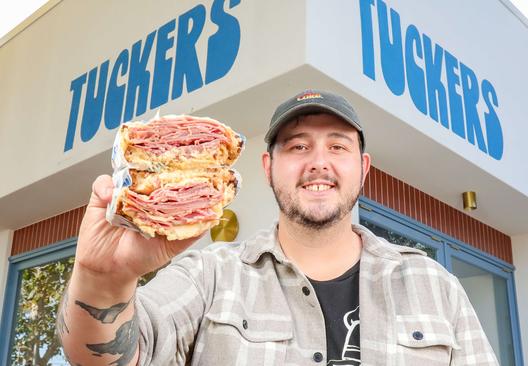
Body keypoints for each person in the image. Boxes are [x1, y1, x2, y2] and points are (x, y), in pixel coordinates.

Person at [58, 89, 499, 365]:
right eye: (298, 146)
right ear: (269, 167)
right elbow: (114, 358)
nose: (318, 162)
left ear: (363, 168)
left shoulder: (433, 284)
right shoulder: (210, 276)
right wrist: (102, 280)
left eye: (338, 146)